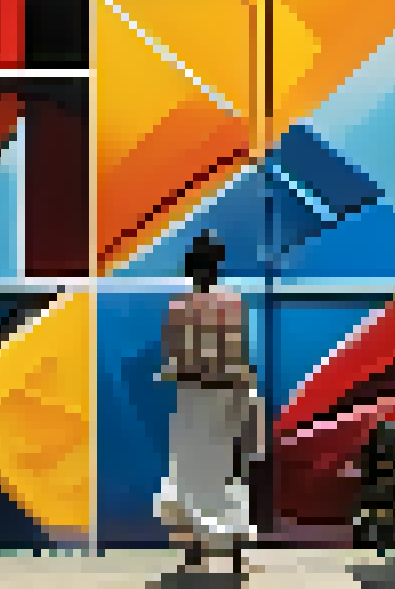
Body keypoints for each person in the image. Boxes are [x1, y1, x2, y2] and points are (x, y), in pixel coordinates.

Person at [156, 232, 264, 573]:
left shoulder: (179, 306)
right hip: (227, 396)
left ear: (191, 267)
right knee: (225, 475)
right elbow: (241, 357)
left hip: (193, 397)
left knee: (190, 474)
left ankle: (195, 553)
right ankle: (232, 553)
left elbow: (174, 361)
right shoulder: (233, 304)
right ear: (216, 267)